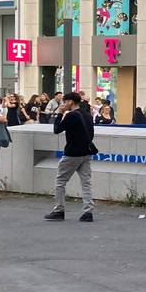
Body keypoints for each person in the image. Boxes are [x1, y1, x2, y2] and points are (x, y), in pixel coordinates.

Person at [45, 93, 95, 222]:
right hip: (86, 152)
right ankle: (88, 212)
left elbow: (57, 129)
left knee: (60, 181)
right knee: (86, 183)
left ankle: (59, 210)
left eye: (65, 101)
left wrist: (60, 114)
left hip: (72, 153)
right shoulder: (87, 116)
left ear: (71, 102)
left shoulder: (71, 116)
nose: (63, 104)